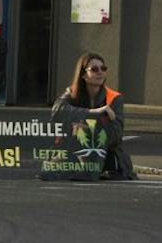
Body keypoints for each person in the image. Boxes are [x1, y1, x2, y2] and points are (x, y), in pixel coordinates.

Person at [49, 52, 136, 181]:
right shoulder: (72, 92)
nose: (100, 72)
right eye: (94, 69)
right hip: (74, 154)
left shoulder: (114, 98)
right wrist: (93, 112)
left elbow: (115, 136)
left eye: (103, 68)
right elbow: (57, 111)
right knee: (52, 169)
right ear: (83, 75)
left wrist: (85, 129)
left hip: (106, 157)